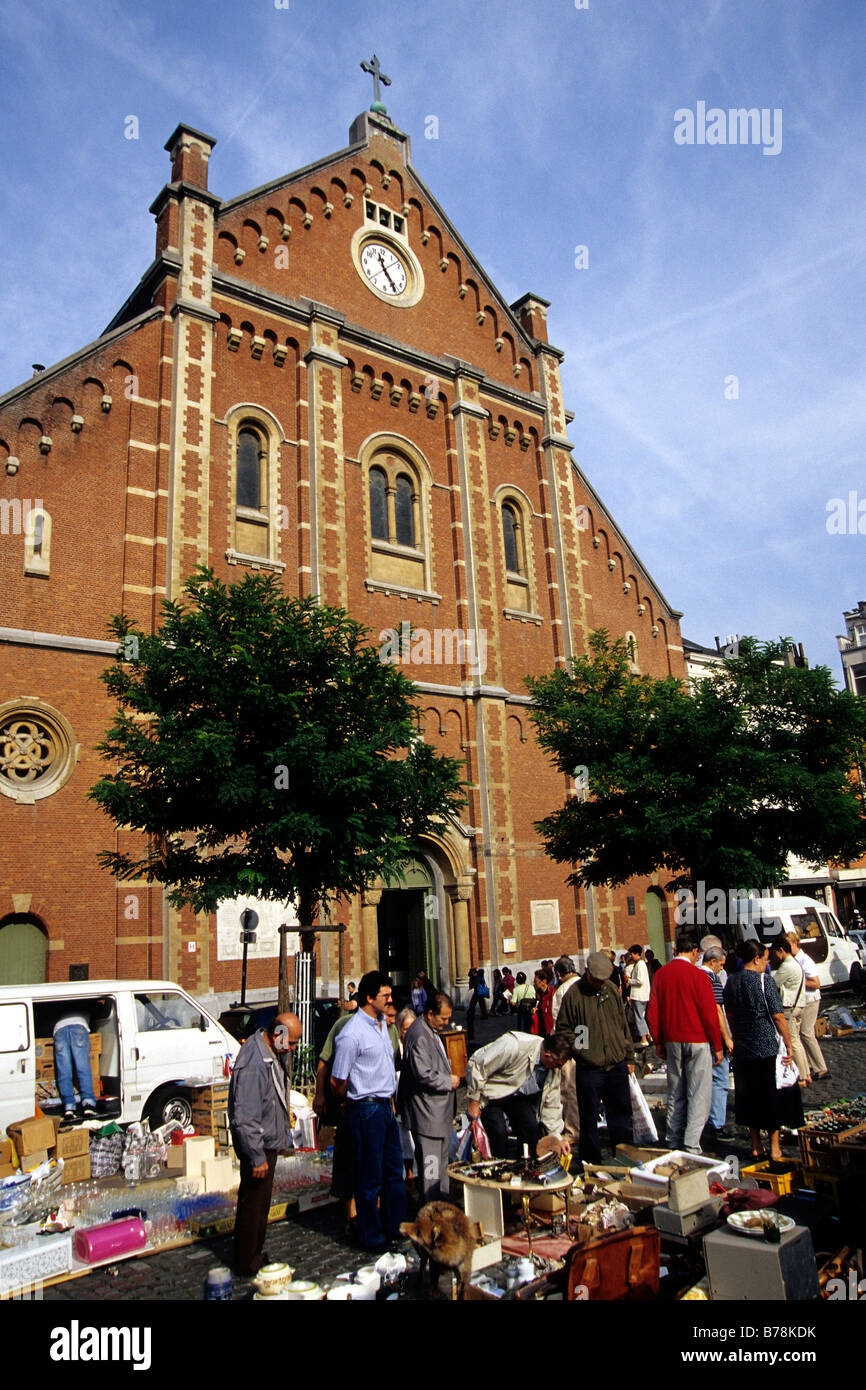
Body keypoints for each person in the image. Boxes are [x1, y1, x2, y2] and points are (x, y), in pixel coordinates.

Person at [331, 971, 406, 1252]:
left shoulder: (382, 1025)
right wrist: (355, 1102)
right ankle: (372, 1236)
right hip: (366, 1110)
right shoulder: (351, 1034)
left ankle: (396, 1228)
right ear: (369, 998)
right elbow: (338, 1081)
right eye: (385, 996)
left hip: (386, 1108)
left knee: (393, 1173)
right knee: (369, 1177)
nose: (390, 999)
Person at [229, 1010, 302, 1275]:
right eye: (291, 1042)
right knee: (253, 1204)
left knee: (260, 1205)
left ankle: (254, 1254)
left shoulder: (273, 1053)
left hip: (266, 1140)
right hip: (257, 1145)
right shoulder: (253, 1060)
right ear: (277, 1034)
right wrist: (256, 1155)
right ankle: (246, 1260)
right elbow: (245, 1114)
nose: (293, 1048)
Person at [723, 940, 803, 1160]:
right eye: (765, 959)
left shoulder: (731, 981)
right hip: (766, 1045)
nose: (767, 963)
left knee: (748, 1098)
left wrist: (737, 1034)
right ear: (756, 958)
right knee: (771, 1098)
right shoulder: (763, 980)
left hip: (743, 1046)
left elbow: (729, 1014)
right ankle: (775, 1146)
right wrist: (788, 1043)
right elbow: (777, 1016)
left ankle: (756, 1145)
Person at [646, 931, 723, 1154]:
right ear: (695, 952)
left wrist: (658, 1040)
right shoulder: (699, 976)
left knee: (675, 1091)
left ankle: (672, 1137)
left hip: (672, 1039)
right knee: (699, 1092)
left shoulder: (661, 974)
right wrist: (716, 1045)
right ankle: (691, 1142)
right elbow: (709, 1014)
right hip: (697, 1039)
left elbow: (653, 1011)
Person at [555, 951, 635, 1162]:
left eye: (603, 981)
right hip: (589, 1069)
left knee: (621, 1114)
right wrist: (582, 1050)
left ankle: (623, 1156)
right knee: (588, 1119)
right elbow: (563, 1029)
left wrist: (629, 1056)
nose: (599, 984)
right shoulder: (573, 995)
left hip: (616, 1063)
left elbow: (622, 1025)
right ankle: (591, 1162)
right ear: (587, 972)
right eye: (595, 980)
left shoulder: (610, 990)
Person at [465, 1030, 572, 1159]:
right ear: (548, 1055)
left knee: (531, 1128)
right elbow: (478, 1066)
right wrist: (474, 1100)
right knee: (498, 1131)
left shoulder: (553, 1067)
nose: (559, 1069)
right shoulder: (513, 1045)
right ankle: (499, 1167)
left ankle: (527, 1167)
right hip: (490, 1092)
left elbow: (552, 1103)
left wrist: (557, 1137)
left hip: (516, 1094)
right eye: (558, 1064)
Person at [401, 992, 461, 1201]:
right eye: (443, 1018)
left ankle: (441, 1207)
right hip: (427, 1115)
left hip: (437, 1115)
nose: (446, 1023)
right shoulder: (419, 1035)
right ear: (429, 1014)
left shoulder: (429, 1029)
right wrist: (448, 1081)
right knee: (432, 1169)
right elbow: (422, 1073)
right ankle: (431, 1213)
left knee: (440, 1167)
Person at [699, 945, 735, 1147]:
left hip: (697, 1037)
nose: (722, 969)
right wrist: (727, 1038)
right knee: (720, 1081)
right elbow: (717, 1011)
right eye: (720, 965)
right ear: (712, 961)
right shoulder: (712, 979)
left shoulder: (694, 975)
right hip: (713, 1038)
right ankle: (717, 1124)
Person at [787, 932, 829, 1081]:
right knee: (801, 1034)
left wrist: (796, 982)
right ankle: (810, 1066)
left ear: (795, 944)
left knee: (806, 1033)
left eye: (788, 944)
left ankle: (821, 1068)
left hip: (810, 999)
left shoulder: (805, 960)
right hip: (801, 1001)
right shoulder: (792, 961)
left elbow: (816, 983)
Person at [770, 936, 810, 1087]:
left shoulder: (786, 965)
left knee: (792, 1041)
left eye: (775, 953)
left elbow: (772, 984)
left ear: (780, 950)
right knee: (797, 1040)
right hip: (798, 1004)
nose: (775, 957)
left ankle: (802, 1076)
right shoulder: (795, 962)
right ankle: (805, 1073)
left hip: (790, 1006)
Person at [53, 1008, 99, 1122]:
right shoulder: (86, 1009)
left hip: (59, 1029)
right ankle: (88, 1105)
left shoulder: (61, 1012)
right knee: (82, 1068)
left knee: (64, 1070)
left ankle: (69, 1107)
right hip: (79, 1026)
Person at [626, 945, 652, 1045]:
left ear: (637, 954)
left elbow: (640, 981)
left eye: (632, 954)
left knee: (639, 1018)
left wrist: (629, 980)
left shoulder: (640, 965)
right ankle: (648, 1035)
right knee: (642, 1017)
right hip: (643, 995)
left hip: (639, 995)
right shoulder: (640, 964)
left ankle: (644, 1039)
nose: (631, 956)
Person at [530, 966, 555, 1035]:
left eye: (536, 981)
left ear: (543, 981)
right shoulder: (538, 994)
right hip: (540, 1029)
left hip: (551, 1030)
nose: (534, 983)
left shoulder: (553, 993)